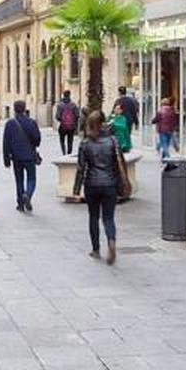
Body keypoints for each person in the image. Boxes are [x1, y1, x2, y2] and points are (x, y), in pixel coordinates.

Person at [77, 112, 120, 265]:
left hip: (92, 184)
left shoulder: (85, 143)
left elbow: (81, 168)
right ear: (104, 122)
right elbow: (118, 165)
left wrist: (76, 190)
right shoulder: (112, 141)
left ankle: (96, 250)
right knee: (108, 218)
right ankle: (111, 241)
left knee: (93, 217)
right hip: (109, 184)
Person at [3, 100, 41, 213]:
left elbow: (6, 142)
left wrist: (6, 159)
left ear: (14, 110)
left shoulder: (10, 124)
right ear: (25, 109)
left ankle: (20, 203)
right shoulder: (31, 122)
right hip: (29, 156)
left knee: (19, 180)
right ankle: (28, 195)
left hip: (16, 157)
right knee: (31, 178)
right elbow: (37, 139)